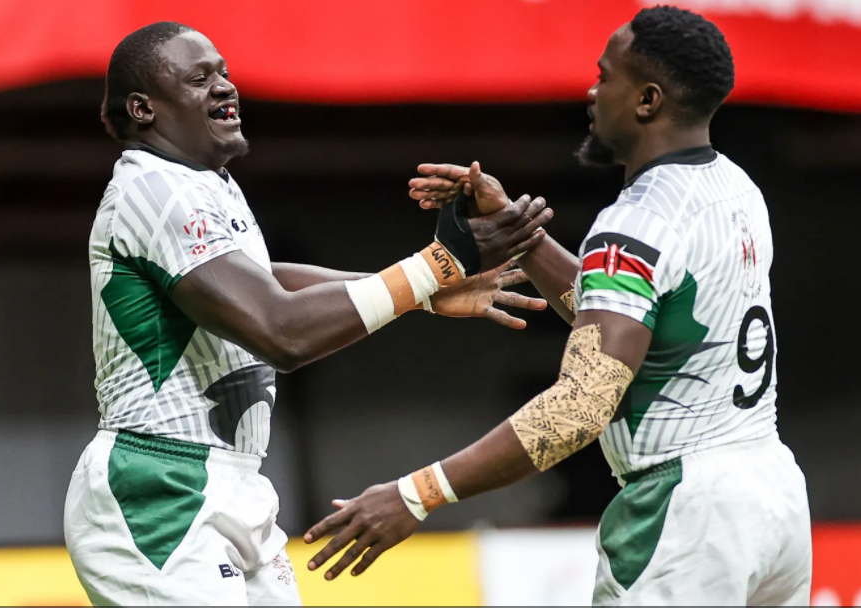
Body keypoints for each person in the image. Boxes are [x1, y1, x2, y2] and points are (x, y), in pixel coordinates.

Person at [304, 6, 812, 606]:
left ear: (646, 100)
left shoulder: (636, 222)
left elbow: (580, 405)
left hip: (687, 511)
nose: (591, 91)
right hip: (774, 493)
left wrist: (417, 493)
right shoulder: (736, 188)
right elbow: (633, 327)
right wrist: (524, 234)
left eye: (605, 76)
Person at [63, 21, 554, 607]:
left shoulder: (204, 183)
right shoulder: (154, 188)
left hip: (229, 480)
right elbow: (280, 331)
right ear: (143, 108)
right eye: (200, 79)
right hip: (159, 484)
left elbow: (265, 278)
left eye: (224, 72)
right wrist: (433, 268)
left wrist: (425, 289)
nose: (225, 88)